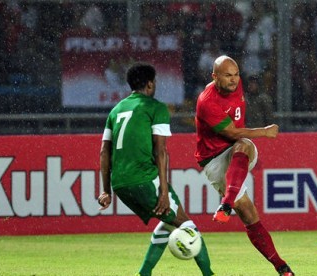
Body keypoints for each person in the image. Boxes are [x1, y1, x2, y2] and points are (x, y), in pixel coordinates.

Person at [97, 62, 214, 276]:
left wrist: (106, 190)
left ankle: (144, 273)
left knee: (168, 223)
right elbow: (161, 151)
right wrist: (162, 191)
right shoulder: (156, 108)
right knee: (188, 227)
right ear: (150, 84)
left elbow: (104, 152)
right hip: (144, 179)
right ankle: (209, 274)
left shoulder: (116, 110)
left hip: (120, 184)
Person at [194, 55, 294, 276]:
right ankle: (281, 265)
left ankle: (226, 204)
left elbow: (236, 136)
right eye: (228, 75)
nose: (234, 80)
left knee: (244, 145)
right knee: (249, 214)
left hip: (237, 150)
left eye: (236, 74)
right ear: (214, 76)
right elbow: (229, 131)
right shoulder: (207, 101)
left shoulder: (235, 87)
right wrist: (265, 132)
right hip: (214, 160)